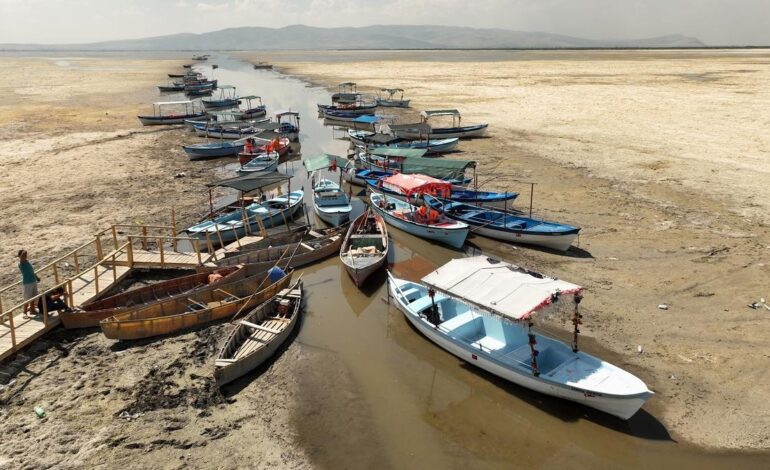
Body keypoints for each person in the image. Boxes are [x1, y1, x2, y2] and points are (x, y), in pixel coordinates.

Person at [18, 249, 40, 319]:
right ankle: (24, 312)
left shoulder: (28, 262)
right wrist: (22, 253)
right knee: (27, 298)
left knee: (33, 296)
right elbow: (21, 259)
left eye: (26, 255)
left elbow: (32, 271)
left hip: (33, 281)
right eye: (24, 255)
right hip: (27, 283)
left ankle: (32, 310)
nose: (25, 256)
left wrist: (36, 277)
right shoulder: (21, 264)